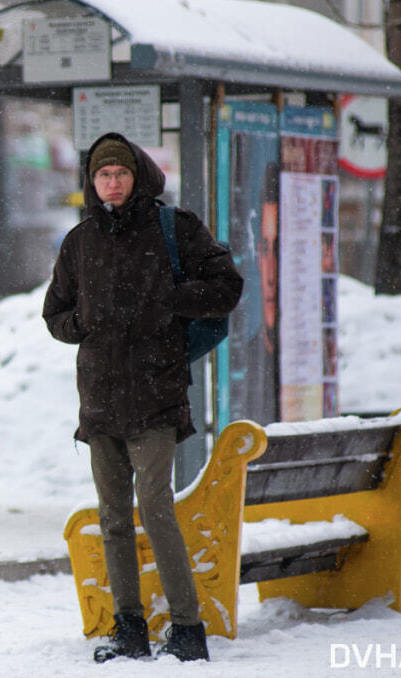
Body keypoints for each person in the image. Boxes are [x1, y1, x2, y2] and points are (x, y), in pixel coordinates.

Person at [43, 132, 242, 663]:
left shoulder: (174, 228)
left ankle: (186, 627)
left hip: (157, 393)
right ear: (92, 182)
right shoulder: (80, 241)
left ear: (138, 177)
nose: (112, 183)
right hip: (101, 400)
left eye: (121, 174)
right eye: (103, 175)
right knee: (112, 518)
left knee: (155, 509)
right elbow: (54, 314)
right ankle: (128, 627)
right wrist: (80, 322)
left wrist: (172, 301)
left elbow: (228, 285)